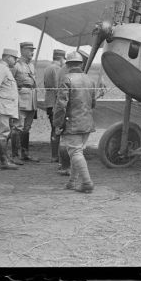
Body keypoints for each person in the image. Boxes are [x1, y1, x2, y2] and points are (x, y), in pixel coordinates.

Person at [53, 51, 96, 193]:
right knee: (77, 153)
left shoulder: (66, 79)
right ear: (81, 64)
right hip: (87, 123)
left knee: (75, 153)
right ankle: (72, 182)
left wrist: (58, 124)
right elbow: (93, 103)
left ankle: (87, 183)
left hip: (72, 123)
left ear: (68, 64)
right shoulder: (90, 80)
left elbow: (60, 105)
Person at [10, 41, 40, 163]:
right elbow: (9, 84)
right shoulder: (16, 66)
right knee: (17, 128)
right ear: (22, 50)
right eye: (29, 50)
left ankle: (25, 154)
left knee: (26, 128)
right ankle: (15, 156)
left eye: (33, 50)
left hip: (31, 101)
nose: (32, 52)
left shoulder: (31, 66)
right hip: (21, 101)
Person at [43, 49, 66, 162]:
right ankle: (55, 156)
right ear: (61, 58)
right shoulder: (57, 69)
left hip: (49, 101)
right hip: (55, 103)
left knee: (54, 128)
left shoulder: (48, 67)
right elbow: (59, 88)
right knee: (57, 128)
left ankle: (54, 156)